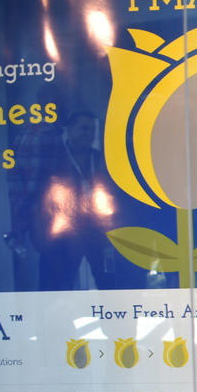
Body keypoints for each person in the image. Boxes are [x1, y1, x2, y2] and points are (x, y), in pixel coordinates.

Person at [26, 110, 118, 291]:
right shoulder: (55, 159)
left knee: (108, 284)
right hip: (64, 233)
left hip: (96, 231)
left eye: (92, 130)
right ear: (69, 130)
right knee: (58, 286)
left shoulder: (100, 159)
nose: (89, 134)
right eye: (84, 128)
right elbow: (39, 195)